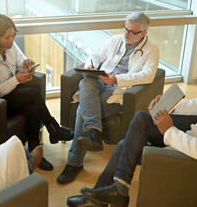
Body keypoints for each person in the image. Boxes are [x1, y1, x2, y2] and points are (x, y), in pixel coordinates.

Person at [67, 41, 197, 207]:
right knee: (141, 119)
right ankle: (114, 192)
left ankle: (115, 193)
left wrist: (169, 131)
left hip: (194, 161)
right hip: (189, 139)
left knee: (127, 143)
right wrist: (168, 104)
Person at [57, 11, 159, 184]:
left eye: (132, 32)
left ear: (144, 33)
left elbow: (148, 75)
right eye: (125, 28)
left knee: (83, 108)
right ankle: (93, 133)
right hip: (101, 81)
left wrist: (117, 79)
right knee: (86, 82)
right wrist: (92, 64)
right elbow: (97, 54)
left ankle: (76, 159)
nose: (126, 34)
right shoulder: (116, 40)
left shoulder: (152, 50)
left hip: (120, 90)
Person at [0, 14, 73, 171]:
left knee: (32, 109)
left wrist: (27, 64)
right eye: (7, 37)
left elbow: (21, 62)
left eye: (13, 35)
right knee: (33, 93)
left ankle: (34, 154)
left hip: (6, 95)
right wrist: (17, 80)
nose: (11, 40)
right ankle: (54, 129)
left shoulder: (10, 47)